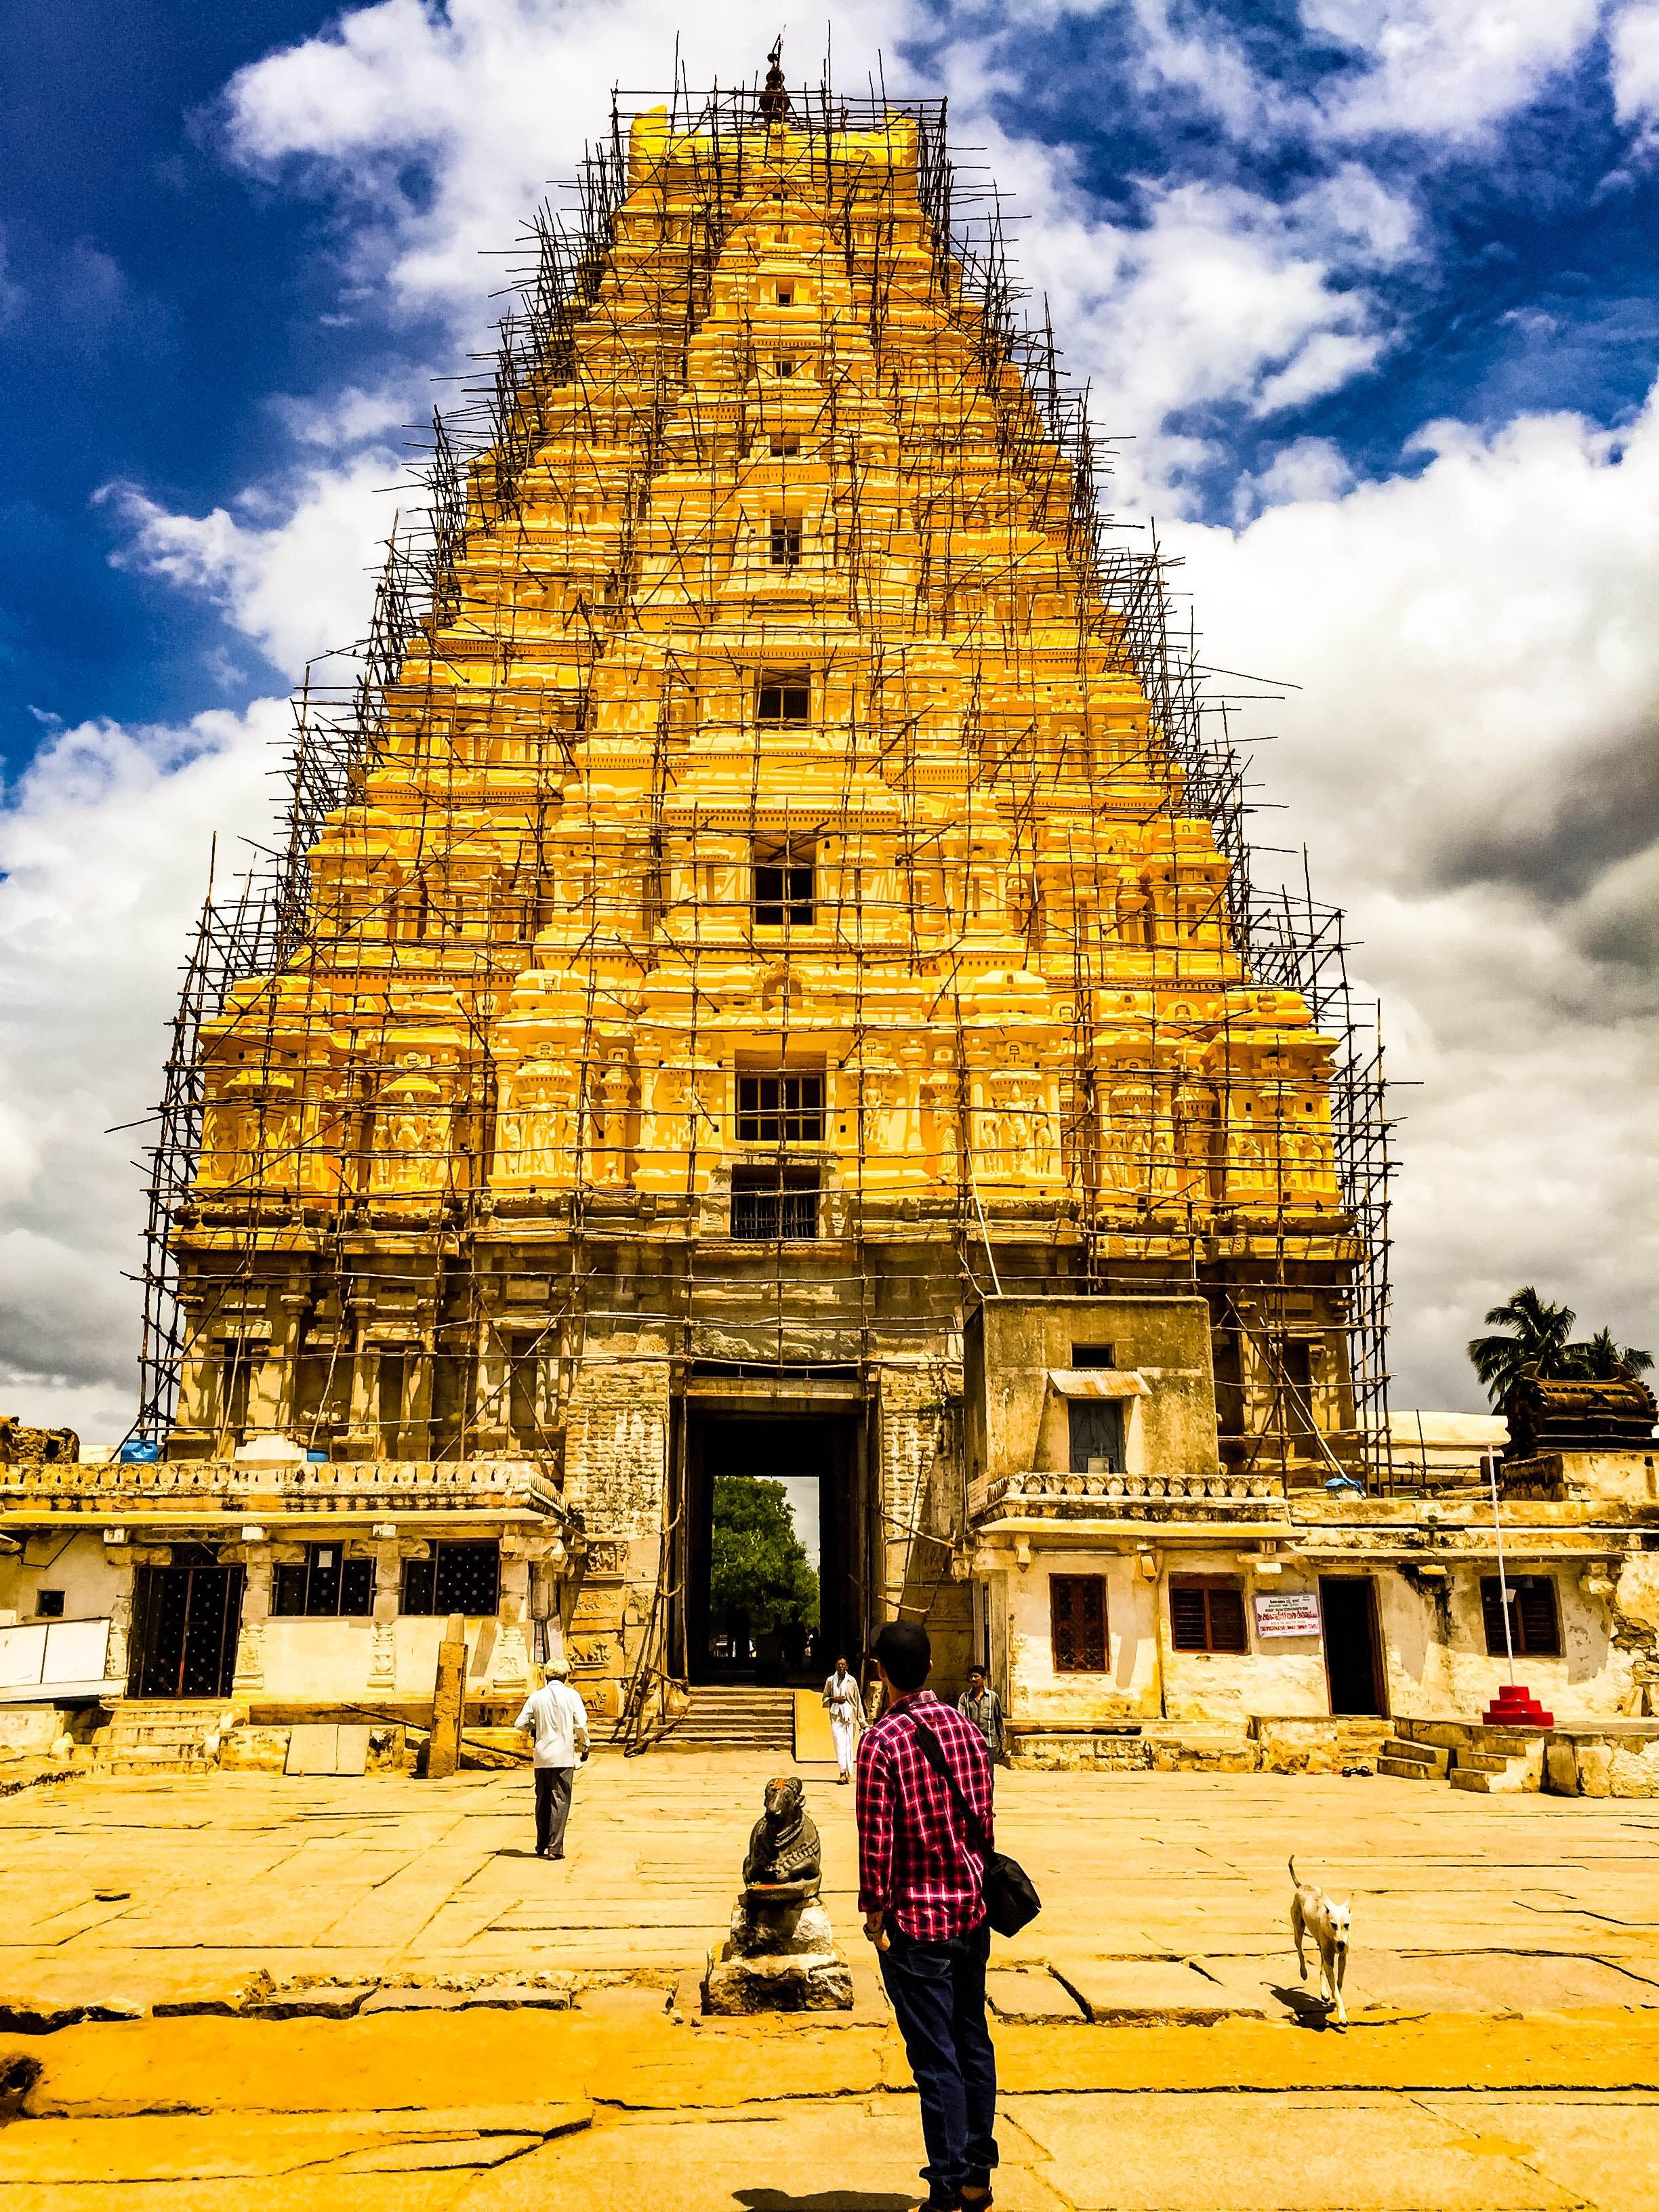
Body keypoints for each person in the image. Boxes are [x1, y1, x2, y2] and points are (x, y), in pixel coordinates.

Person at [857, 1618, 996, 2212]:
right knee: (973, 2043)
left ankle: (945, 2185)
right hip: (971, 1910)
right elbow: (985, 1819)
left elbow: (876, 1842)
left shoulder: (881, 1742)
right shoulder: (966, 1729)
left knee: (935, 2055)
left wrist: (874, 1914)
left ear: (880, 1672)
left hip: (916, 1922)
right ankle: (977, 2175)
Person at [513, 1657, 589, 1860]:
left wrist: (534, 1728)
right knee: (561, 1800)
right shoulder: (572, 1695)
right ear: (566, 1676)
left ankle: (541, 1844)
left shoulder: (537, 1697)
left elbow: (520, 1723)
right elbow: (581, 1724)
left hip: (542, 1755)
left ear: (546, 1676)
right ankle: (555, 1848)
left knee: (543, 1800)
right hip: (564, 1755)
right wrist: (585, 1745)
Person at [823, 1653, 862, 1783]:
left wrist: (862, 1721)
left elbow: (858, 1701)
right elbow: (824, 1700)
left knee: (848, 1745)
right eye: (839, 1665)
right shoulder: (830, 1681)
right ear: (836, 1666)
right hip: (836, 1717)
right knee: (839, 1744)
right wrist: (835, 1699)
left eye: (843, 1665)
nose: (841, 1667)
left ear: (847, 1667)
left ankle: (847, 1773)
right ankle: (842, 1771)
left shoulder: (852, 1681)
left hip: (850, 1717)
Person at [956, 1666, 1004, 1763]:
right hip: (972, 1743)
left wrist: (1002, 1742)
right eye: (971, 1677)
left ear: (984, 1678)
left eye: (976, 1677)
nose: (973, 1679)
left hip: (989, 1743)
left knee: (989, 1773)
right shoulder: (965, 1698)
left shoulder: (993, 1697)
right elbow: (961, 1720)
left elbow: (999, 1720)